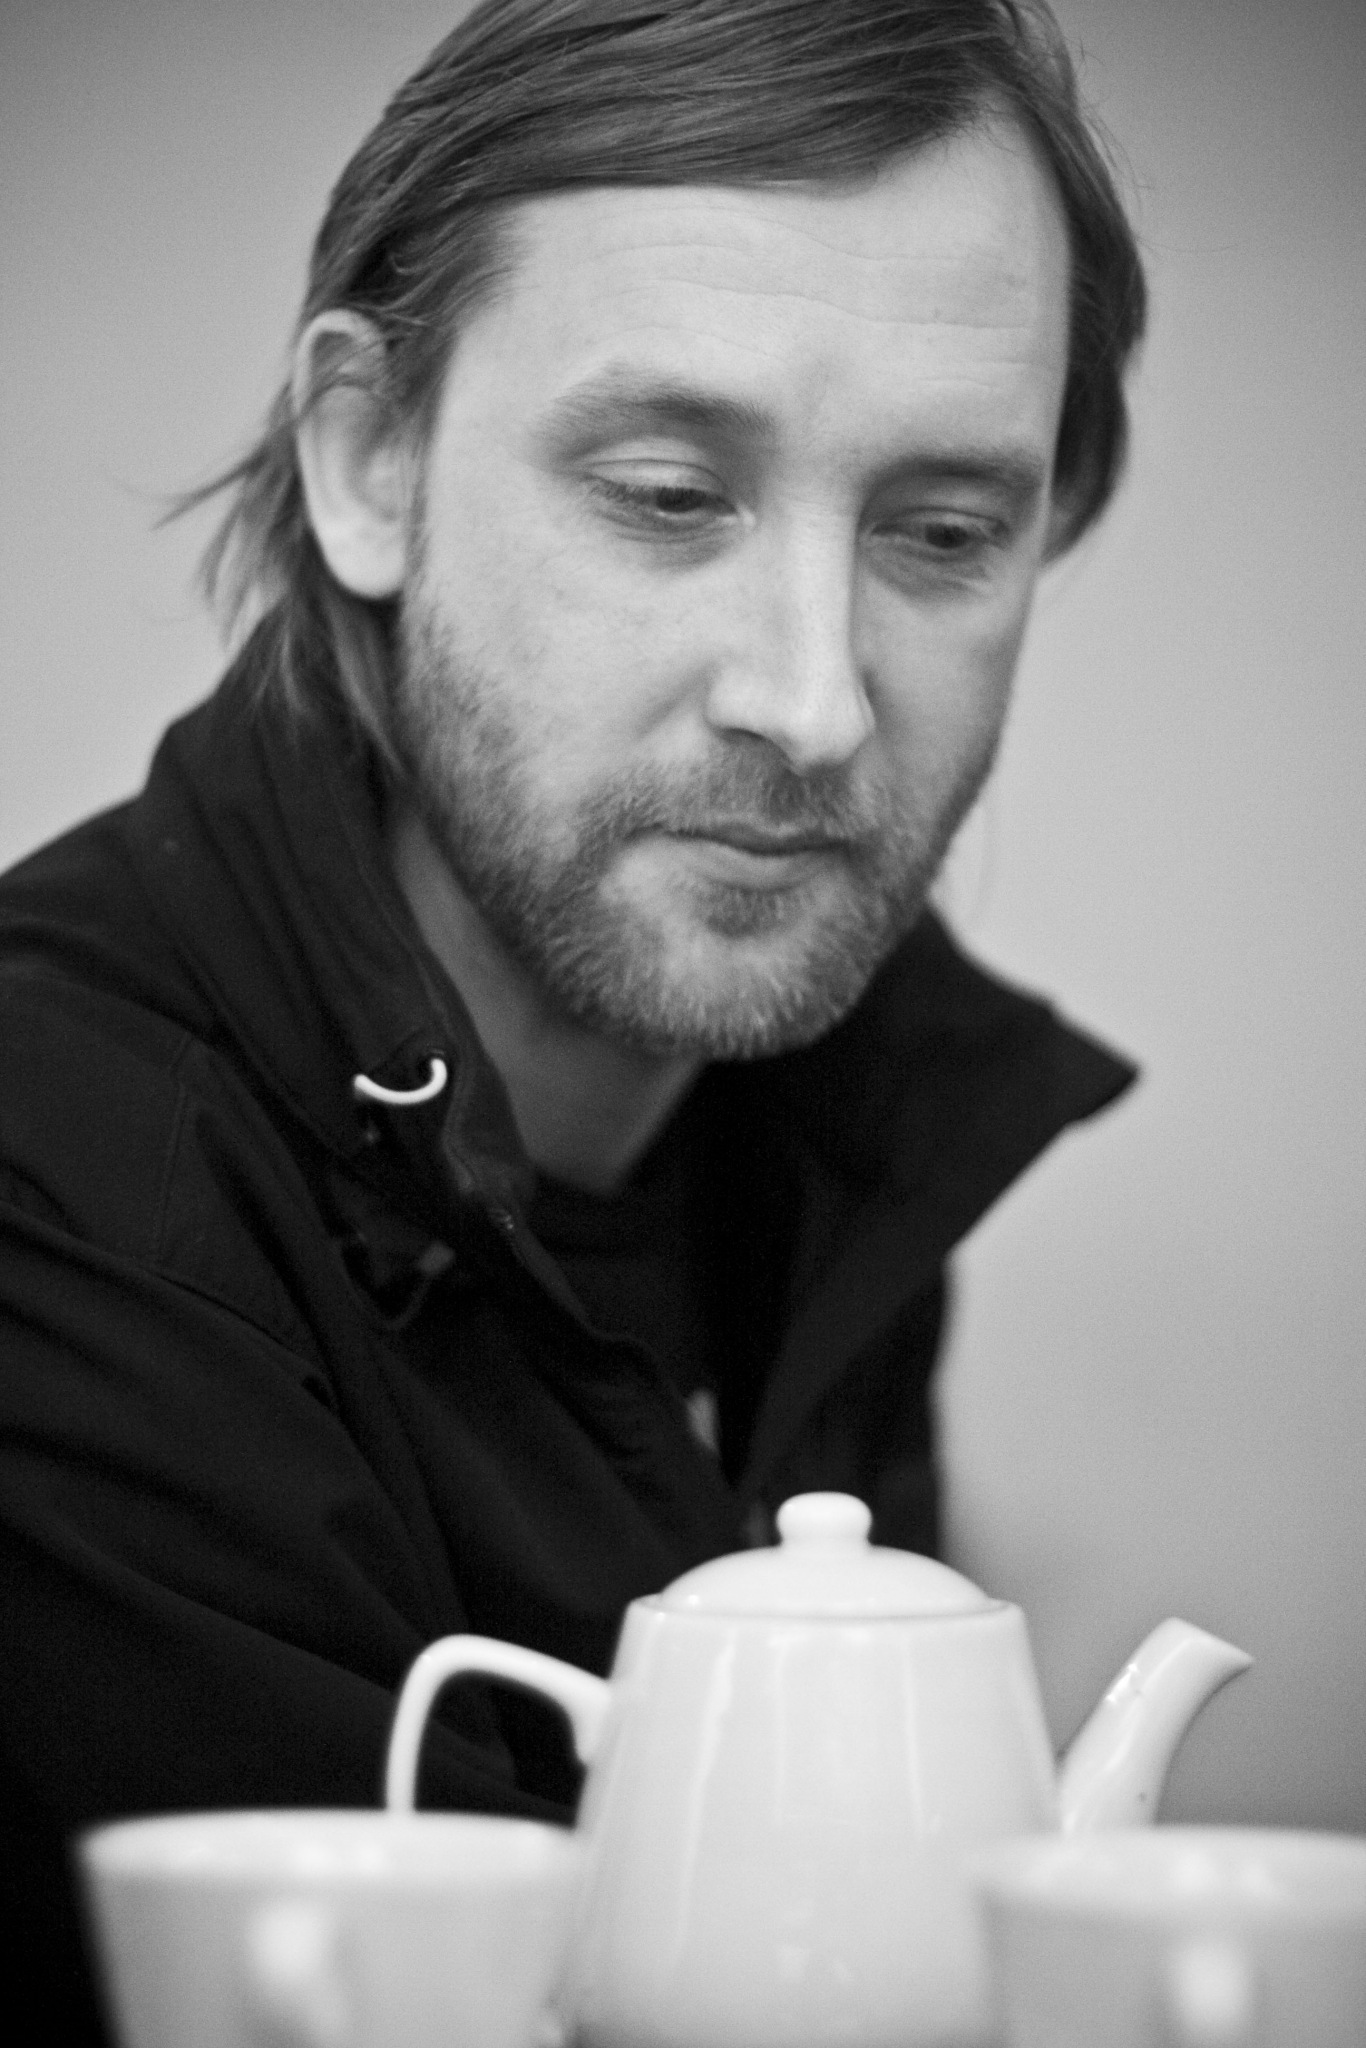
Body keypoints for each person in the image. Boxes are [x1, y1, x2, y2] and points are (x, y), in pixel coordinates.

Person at [0, 0, 1146, 2036]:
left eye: (941, 534)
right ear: (369, 461)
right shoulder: (58, 1186)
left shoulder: (827, 1118)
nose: (811, 700)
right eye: (666, 493)